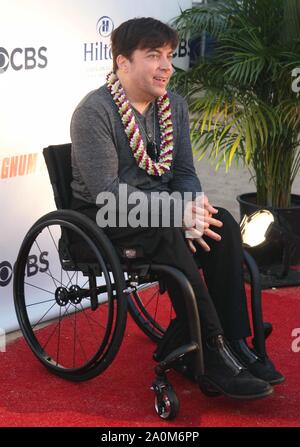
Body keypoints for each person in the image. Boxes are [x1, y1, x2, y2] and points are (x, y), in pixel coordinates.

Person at [70, 17, 284, 400]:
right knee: (169, 230)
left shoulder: (174, 106)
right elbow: (106, 194)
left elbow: (184, 173)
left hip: (164, 211)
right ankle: (213, 354)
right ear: (123, 63)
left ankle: (237, 342)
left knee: (223, 225)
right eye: (153, 56)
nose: (167, 66)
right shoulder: (94, 112)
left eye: (169, 55)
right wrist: (176, 215)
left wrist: (193, 210)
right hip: (106, 217)